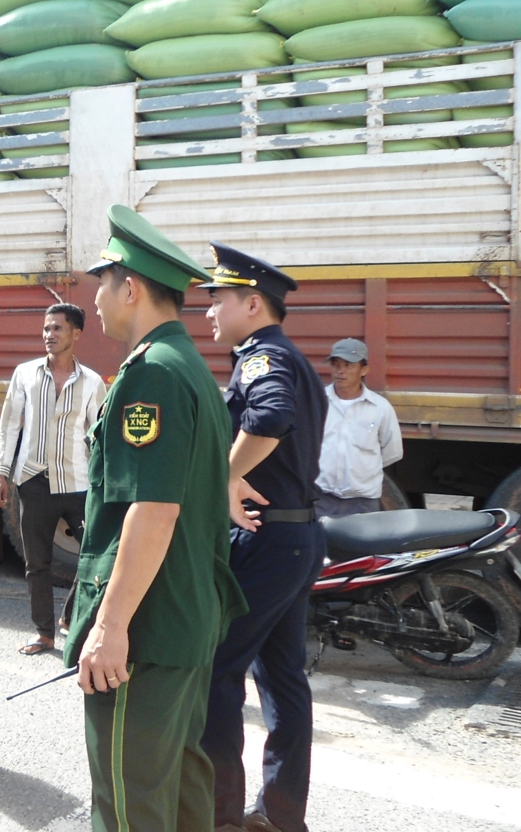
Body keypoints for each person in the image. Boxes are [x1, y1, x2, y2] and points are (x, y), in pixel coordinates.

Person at [66, 206, 244, 832]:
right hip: (186, 618)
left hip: (149, 626)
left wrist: (110, 626)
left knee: (129, 798)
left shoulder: (153, 376)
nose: (95, 300)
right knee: (179, 782)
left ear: (131, 286)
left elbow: (153, 509)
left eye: (101, 283)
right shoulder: (191, 367)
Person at [198, 243, 328, 832]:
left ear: (252, 303)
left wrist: (223, 475)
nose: (209, 314)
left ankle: (219, 815)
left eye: (217, 300)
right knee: (281, 679)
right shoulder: (286, 355)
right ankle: (278, 815)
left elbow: (270, 419)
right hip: (295, 537)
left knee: (216, 672)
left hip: (265, 539)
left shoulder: (262, 356)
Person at [0, 303, 106, 655]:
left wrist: (104, 484)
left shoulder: (92, 382)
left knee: (96, 556)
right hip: (34, 480)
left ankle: (71, 617)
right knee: (36, 563)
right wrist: (1, 474)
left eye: (57, 329)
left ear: (76, 334)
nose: (49, 335)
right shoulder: (25, 374)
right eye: (46, 329)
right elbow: (9, 426)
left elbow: (98, 436)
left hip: (78, 483)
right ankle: (44, 633)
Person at [315, 338, 403, 518]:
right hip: (320, 499)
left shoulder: (380, 408)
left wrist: (363, 469)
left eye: (348, 365)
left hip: (361, 503)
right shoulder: (316, 402)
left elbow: (392, 452)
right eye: (335, 364)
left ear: (364, 370)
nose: (340, 371)